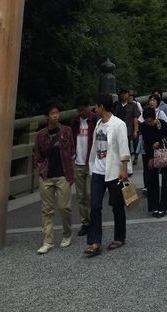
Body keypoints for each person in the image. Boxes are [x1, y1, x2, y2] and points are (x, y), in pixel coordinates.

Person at [85, 93, 130, 256]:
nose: (94, 109)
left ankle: (119, 237)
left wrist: (124, 169)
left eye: (96, 106)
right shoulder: (98, 124)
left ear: (102, 106)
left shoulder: (119, 124)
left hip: (114, 170)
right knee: (95, 206)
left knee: (116, 205)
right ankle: (95, 241)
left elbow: (124, 148)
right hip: (98, 169)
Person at [33, 101, 75, 254]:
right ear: (47, 116)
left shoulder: (66, 131)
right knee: (47, 210)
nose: (55, 116)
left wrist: (72, 171)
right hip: (46, 175)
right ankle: (48, 240)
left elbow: (72, 150)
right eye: (52, 113)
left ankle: (67, 233)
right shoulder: (41, 135)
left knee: (65, 207)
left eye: (57, 113)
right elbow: (36, 154)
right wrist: (40, 168)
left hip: (63, 174)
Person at [69, 95, 97, 236]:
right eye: (78, 110)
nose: (80, 113)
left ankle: (94, 221)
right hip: (78, 162)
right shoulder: (74, 123)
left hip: (91, 163)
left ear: (87, 107)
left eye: (82, 110)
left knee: (91, 194)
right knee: (81, 196)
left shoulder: (95, 121)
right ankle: (85, 222)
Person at [139, 105, 167, 217]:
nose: (149, 123)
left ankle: (163, 207)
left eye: (150, 121)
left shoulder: (161, 124)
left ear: (154, 118)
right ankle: (154, 206)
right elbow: (146, 143)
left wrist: (160, 142)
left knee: (165, 180)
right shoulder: (143, 127)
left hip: (163, 154)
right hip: (151, 154)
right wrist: (150, 158)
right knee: (152, 180)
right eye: (147, 121)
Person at [114, 88, 140, 167]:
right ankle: (125, 163)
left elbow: (135, 117)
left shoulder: (133, 105)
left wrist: (136, 130)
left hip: (129, 128)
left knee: (131, 144)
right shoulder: (117, 105)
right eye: (122, 93)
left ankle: (133, 158)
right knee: (123, 147)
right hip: (119, 129)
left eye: (125, 93)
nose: (124, 95)